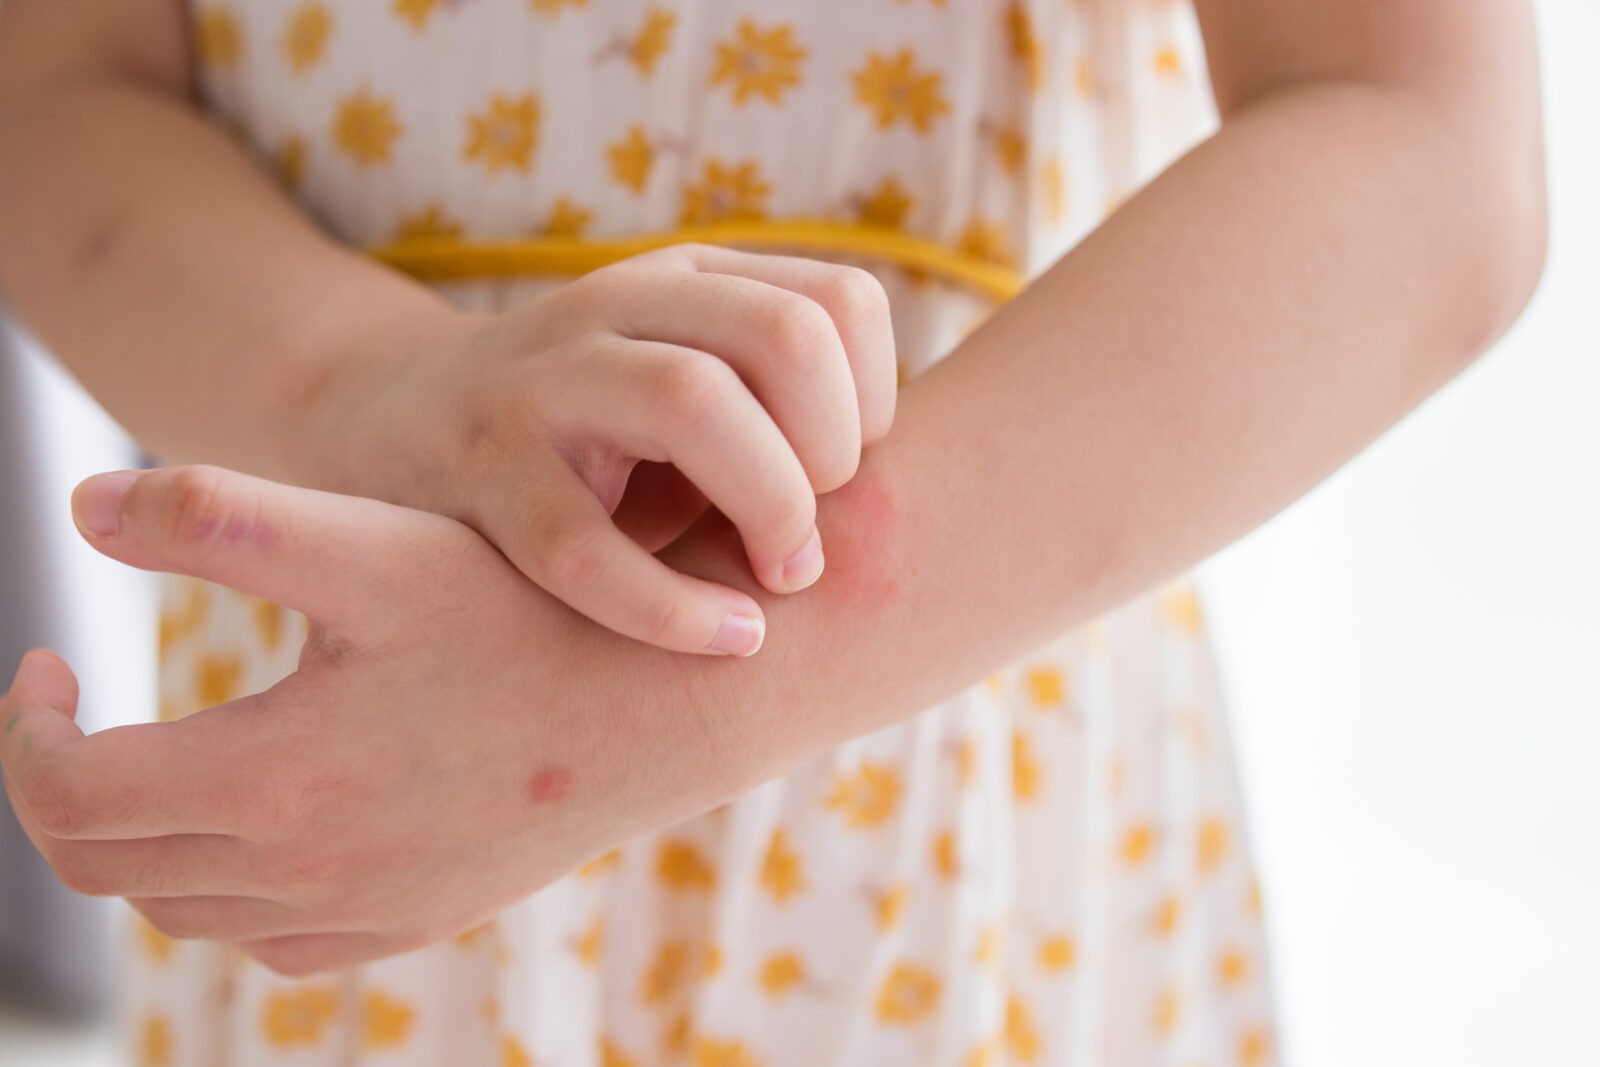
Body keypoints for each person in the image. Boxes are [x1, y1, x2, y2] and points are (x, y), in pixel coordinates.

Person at [0, 1, 1545, 1065]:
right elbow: (56, 87)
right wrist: (379, 389)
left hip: (937, 747)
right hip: (352, 780)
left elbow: (1423, 146)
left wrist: (631, 704)